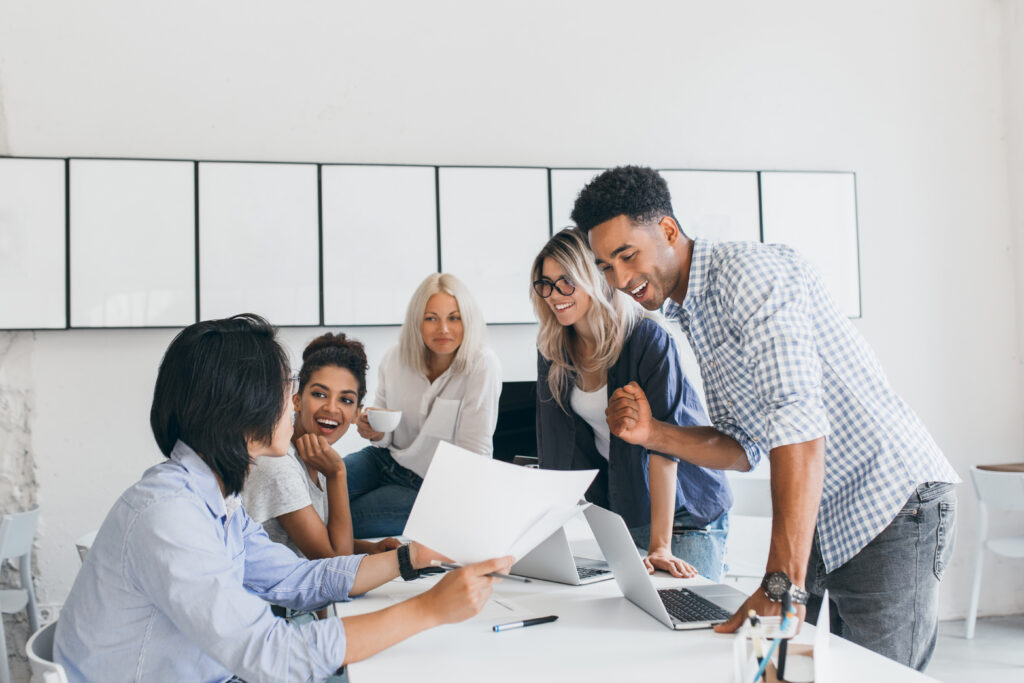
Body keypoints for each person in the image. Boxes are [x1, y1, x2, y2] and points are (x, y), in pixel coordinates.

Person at [576, 166, 959, 672]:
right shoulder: (691, 309)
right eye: (605, 266)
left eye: (628, 255)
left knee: (873, 675)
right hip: (821, 512)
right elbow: (743, 446)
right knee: (774, 669)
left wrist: (782, 584)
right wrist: (653, 434)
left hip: (891, 505)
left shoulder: (748, 274)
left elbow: (797, 423)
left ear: (668, 231)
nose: (620, 280)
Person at [54, 314, 512, 682]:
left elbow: (295, 579)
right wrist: (428, 610)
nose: (292, 402)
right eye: (286, 388)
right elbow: (269, 656)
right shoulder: (169, 516)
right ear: (241, 404)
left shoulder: (215, 499)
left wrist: (409, 559)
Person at [531, 228, 732, 581]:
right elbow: (553, 449)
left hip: (684, 515)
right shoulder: (553, 350)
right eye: (545, 284)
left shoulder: (647, 339)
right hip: (625, 511)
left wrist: (660, 547)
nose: (553, 295)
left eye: (566, 282)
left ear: (594, 278)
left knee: (681, 611)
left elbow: (663, 447)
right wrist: (539, 534)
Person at [347, 273, 502, 537]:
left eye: (454, 318)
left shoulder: (482, 365)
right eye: (431, 318)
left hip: (429, 488)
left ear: (468, 320)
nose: (443, 329)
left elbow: (474, 454)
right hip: (383, 460)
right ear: (417, 321)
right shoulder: (395, 358)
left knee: (342, 519)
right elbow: (384, 437)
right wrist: (375, 431)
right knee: (315, 489)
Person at [243, 332, 400, 560]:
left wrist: (370, 549)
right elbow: (336, 564)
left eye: (345, 400)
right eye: (319, 394)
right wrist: (337, 474)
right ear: (296, 400)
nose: (331, 408)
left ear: (357, 413)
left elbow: (325, 539)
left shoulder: (316, 455)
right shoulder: (280, 465)